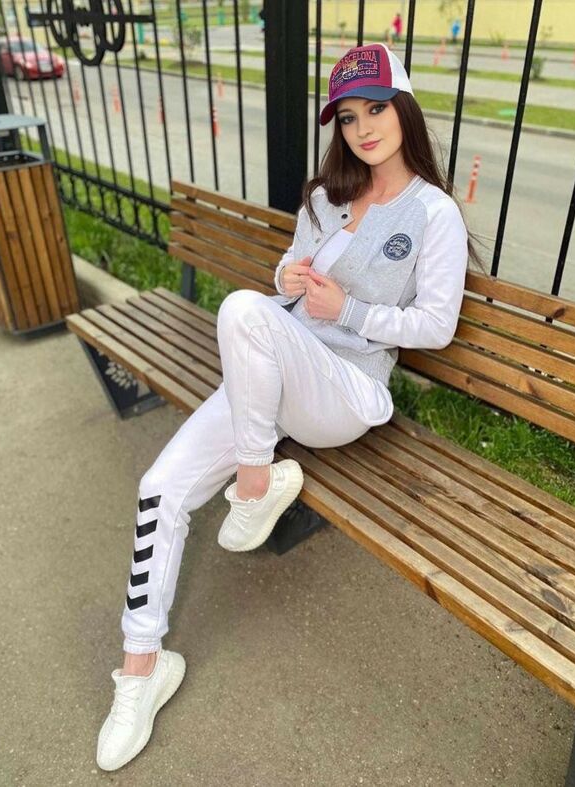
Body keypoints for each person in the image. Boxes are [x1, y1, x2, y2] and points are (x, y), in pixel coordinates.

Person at [95, 41, 474, 772]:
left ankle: (255, 481)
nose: (363, 128)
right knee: (159, 488)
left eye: (376, 108)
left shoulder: (434, 214)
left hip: (346, 389)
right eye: (349, 116)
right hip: (273, 372)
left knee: (242, 311)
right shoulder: (326, 196)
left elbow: (436, 325)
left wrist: (349, 310)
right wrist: (289, 276)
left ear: (404, 108)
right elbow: (285, 279)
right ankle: (142, 668)